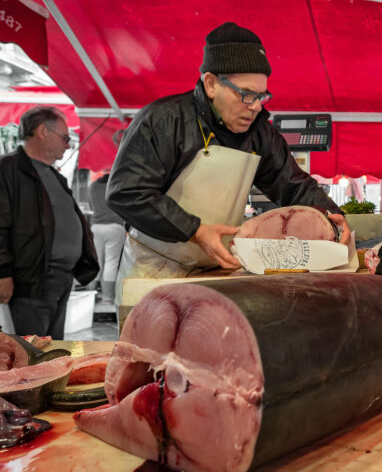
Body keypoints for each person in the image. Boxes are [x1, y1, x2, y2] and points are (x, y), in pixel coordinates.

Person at [106, 22, 349, 306]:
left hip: (218, 266)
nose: (256, 106)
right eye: (246, 94)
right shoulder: (162, 120)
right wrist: (195, 230)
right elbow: (127, 192)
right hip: (153, 267)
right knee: (147, 349)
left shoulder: (259, 132)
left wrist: (331, 216)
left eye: (261, 96)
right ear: (211, 84)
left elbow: (292, 185)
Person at [0, 106, 99, 339]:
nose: (67, 145)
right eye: (64, 138)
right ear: (43, 131)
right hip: (31, 280)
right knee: (30, 356)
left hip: (60, 278)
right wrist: (2, 273)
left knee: (51, 350)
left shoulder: (54, 175)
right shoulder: (9, 169)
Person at [88, 172, 124, 304]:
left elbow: (91, 206)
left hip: (96, 228)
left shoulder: (92, 187)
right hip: (115, 228)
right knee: (111, 262)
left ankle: (90, 297)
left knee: (96, 262)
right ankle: (107, 298)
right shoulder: (117, 186)